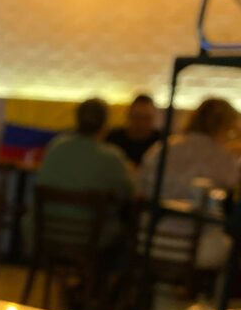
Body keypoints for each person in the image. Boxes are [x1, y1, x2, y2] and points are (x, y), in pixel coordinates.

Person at [140, 97, 240, 269]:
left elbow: (139, 189)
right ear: (225, 127)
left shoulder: (162, 148)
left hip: (147, 237)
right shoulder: (224, 159)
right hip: (194, 246)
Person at [27, 97, 133, 247]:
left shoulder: (56, 146)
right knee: (123, 230)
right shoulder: (112, 157)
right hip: (87, 239)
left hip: (41, 233)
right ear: (105, 125)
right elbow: (127, 194)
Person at [106, 94, 162, 166]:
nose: (141, 123)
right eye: (137, 117)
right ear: (129, 116)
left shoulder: (161, 142)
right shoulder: (113, 138)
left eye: (146, 118)